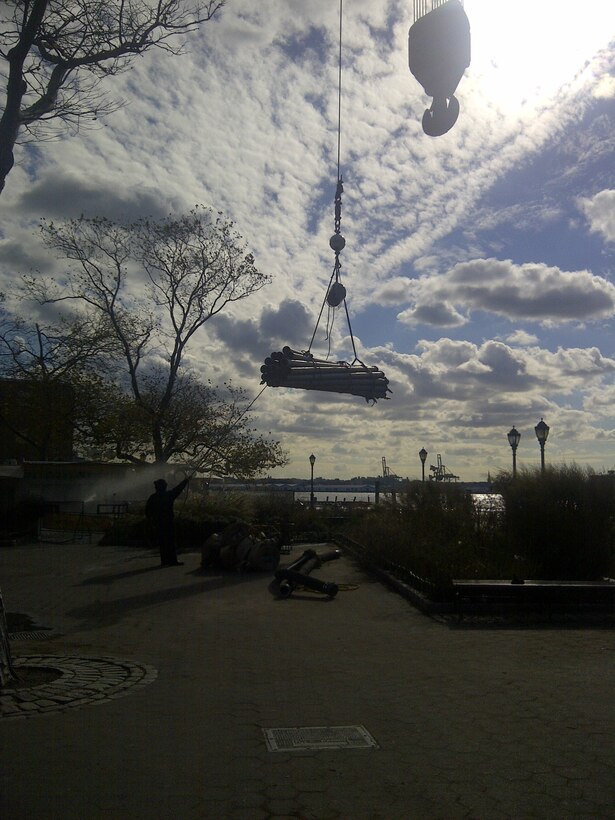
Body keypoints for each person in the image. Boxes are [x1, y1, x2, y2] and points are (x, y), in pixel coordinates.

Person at [145, 476, 189, 567]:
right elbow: (178, 489)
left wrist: (150, 522)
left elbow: (148, 511)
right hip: (168, 522)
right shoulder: (168, 495)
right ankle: (173, 560)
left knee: (162, 542)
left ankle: (164, 561)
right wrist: (186, 481)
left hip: (158, 523)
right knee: (171, 542)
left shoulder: (153, 497)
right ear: (165, 487)